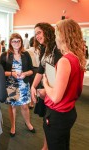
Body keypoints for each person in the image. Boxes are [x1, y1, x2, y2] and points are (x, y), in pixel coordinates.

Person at [42, 19, 86, 150]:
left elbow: (56, 97)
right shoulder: (77, 58)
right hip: (68, 112)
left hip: (58, 115)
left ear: (62, 36)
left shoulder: (65, 61)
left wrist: (45, 83)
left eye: (56, 34)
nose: (55, 38)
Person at [31, 23, 62, 150]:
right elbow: (41, 69)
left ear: (47, 31)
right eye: (35, 34)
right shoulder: (45, 48)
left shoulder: (58, 48)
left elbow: (57, 74)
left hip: (54, 89)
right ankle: (45, 146)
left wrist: (48, 88)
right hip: (47, 87)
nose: (37, 36)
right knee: (46, 120)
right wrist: (33, 86)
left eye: (39, 32)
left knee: (52, 122)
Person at [0, 33, 35, 137]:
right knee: (13, 106)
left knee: (24, 106)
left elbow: (32, 70)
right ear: (10, 42)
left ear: (21, 42)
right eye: (14, 41)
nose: (16, 43)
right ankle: (13, 125)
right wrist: (12, 73)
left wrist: (25, 74)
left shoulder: (26, 54)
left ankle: (28, 123)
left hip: (23, 84)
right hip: (11, 85)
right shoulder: (5, 55)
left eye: (18, 41)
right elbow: (1, 72)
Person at [26, 36, 40, 109]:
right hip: (39, 70)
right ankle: (33, 102)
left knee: (31, 86)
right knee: (35, 86)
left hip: (31, 70)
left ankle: (30, 102)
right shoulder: (39, 50)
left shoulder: (27, 51)